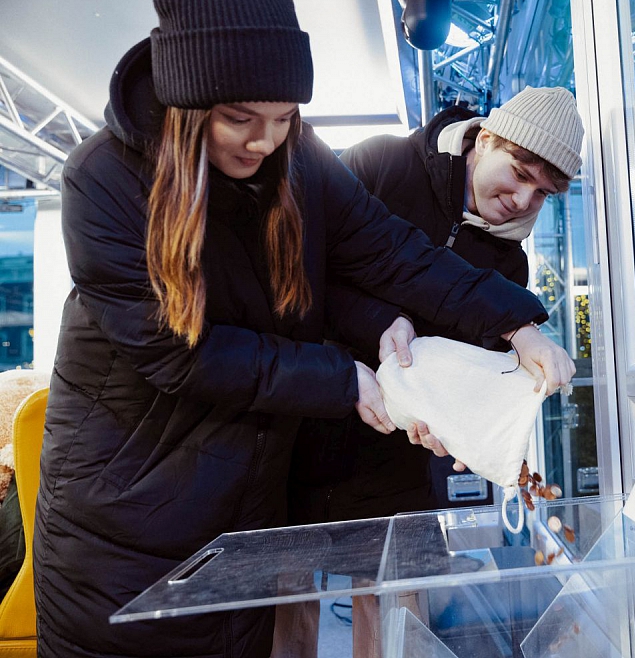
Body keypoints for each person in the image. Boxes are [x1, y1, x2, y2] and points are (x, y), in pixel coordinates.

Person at [33, 2, 575, 657]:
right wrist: (344, 378)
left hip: (245, 495)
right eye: (240, 119)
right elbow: (178, 353)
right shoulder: (103, 180)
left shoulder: (299, 157)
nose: (265, 142)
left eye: (286, 117)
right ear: (188, 101)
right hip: (127, 511)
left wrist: (519, 326)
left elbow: (391, 252)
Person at [288, 86, 584, 527]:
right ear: (485, 140)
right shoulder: (380, 163)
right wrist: (382, 322)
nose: (524, 202)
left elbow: (474, 369)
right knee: (289, 573)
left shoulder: (509, 266)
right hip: (306, 413)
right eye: (520, 175)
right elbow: (302, 277)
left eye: (542, 193)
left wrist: (462, 423)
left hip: (395, 451)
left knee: (394, 581)